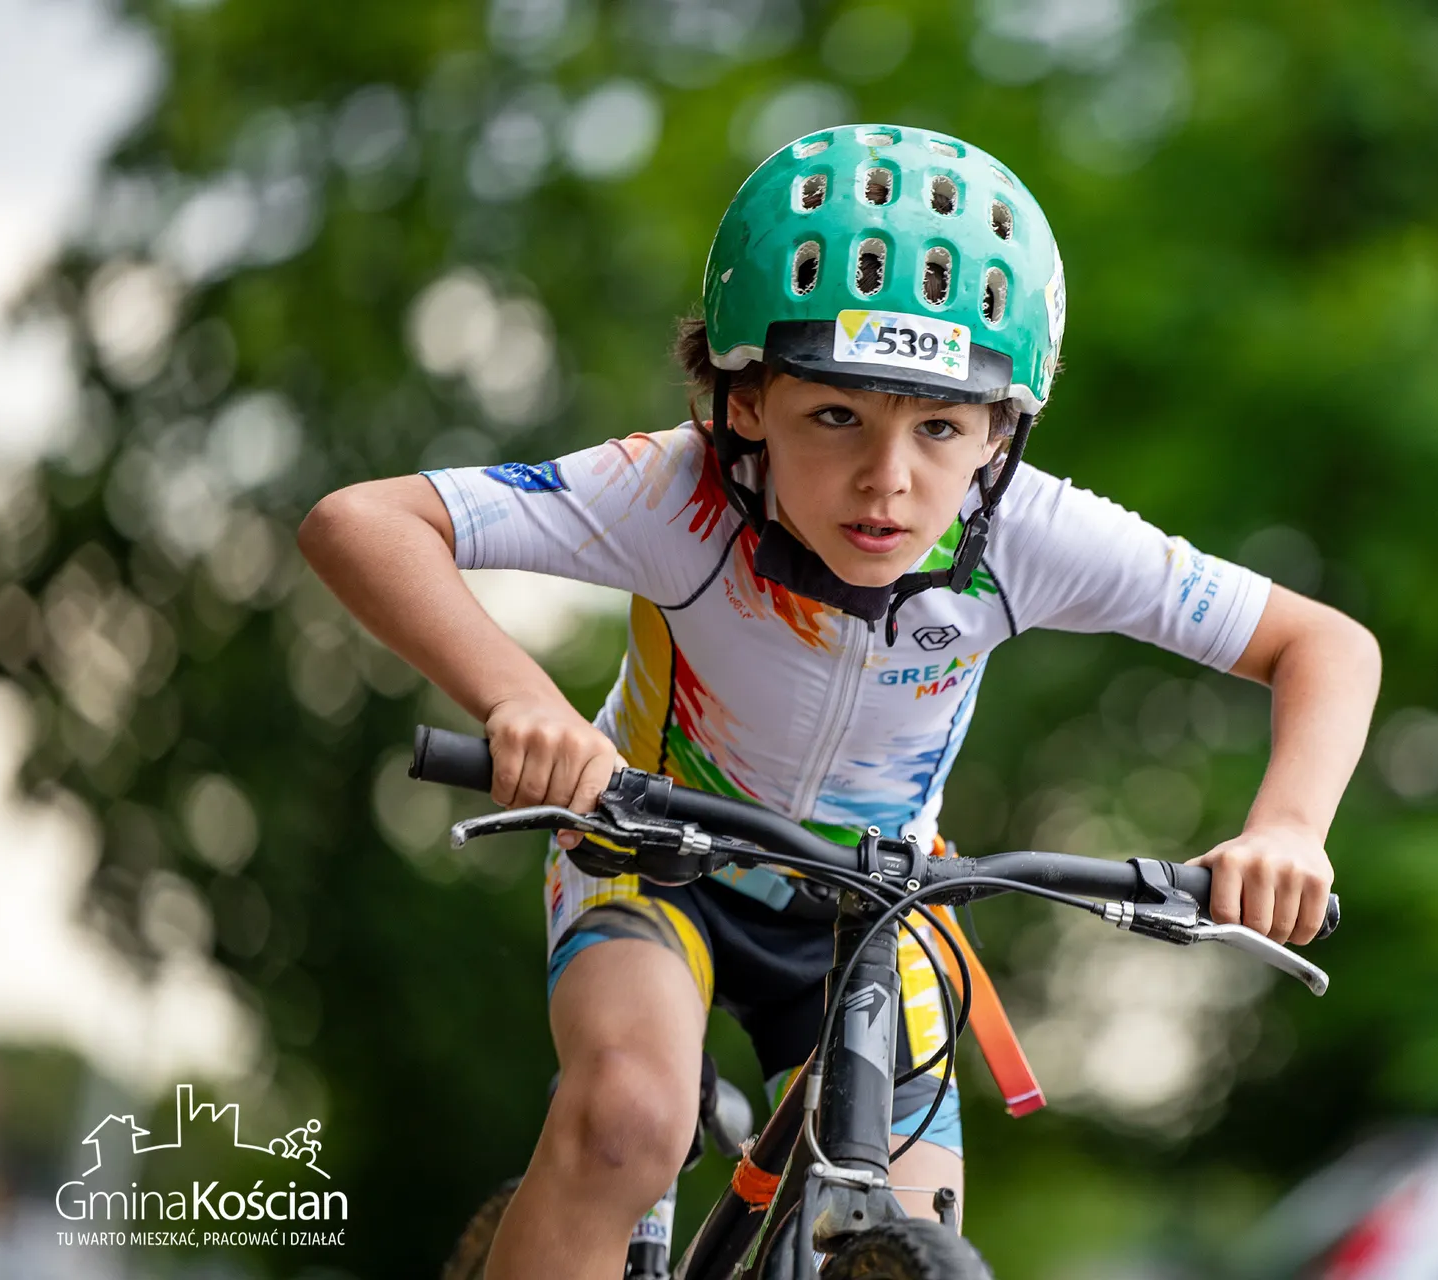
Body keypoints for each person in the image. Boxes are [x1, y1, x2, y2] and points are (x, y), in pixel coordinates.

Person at [298, 123, 1381, 1280]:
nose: (890, 478)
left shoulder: (1027, 534)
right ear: (747, 400)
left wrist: (1287, 826)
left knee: (912, 1236)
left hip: (876, 904)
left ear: (1002, 429)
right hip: (654, 852)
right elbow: (361, 521)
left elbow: (1323, 643)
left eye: (941, 428)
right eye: (836, 416)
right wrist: (528, 702)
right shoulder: (678, 494)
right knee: (630, 1118)